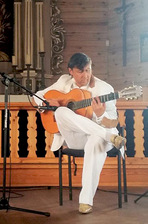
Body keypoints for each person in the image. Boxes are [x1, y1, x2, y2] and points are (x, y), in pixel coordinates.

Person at [33, 52, 126, 214]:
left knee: (95, 140)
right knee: (61, 111)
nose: (85, 75)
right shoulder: (64, 82)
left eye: (88, 70)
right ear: (71, 71)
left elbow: (113, 122)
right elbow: (37, 95)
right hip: (75, 138)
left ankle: (85, 202)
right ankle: (108, 137)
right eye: (80, 71)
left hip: (99, 136)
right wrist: (46, 102)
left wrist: (100, 115)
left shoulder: (105, 89)